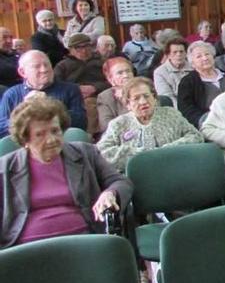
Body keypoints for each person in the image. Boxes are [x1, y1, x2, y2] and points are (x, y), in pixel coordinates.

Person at [0, 96, 132, 248]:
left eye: (55, 131)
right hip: (27, 248)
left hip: (85, 239)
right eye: (40, 134)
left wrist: (110, 193)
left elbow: (121, 181)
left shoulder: (85, 153)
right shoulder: (5, 168)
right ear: (25, 140)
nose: (51, 139)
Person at [98, 77, 202, 171]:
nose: (143, 101)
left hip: (174, 169)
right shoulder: (118, 124)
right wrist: (141, 155)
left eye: (146, 96)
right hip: (135, 175)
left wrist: (167, 150)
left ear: (155, 98)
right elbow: (102, 151)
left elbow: (196, 136)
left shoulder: (171, 114)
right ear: (128, 104)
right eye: (136, 98)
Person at [0, 50, 87, 137]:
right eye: (37, 66)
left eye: (47, 64)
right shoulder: (11, 94)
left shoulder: (70, 89)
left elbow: (81, 122)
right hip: (22, 146)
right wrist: (26, 112)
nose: (44, 69)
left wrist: (50, 107)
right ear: (22, 72)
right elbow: (1, 128)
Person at [54, 33, 111, 135]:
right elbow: (56, 84)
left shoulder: (102, 62)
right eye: (78, 48)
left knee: (91, 104)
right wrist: (76, 89)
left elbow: (112, 81)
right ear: (70, 50)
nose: (84, 51)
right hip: (73, 97)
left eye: (86, 46)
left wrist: (95, 87)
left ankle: (94, 135)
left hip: (100, 94)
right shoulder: (62, 66)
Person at [177, 41, 225, 128]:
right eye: (199, 56)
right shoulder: (187, 82)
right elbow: (187, 110)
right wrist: (206, 120)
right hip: (208, 123)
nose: (205, 58)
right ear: (192, 63)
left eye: (207, 54)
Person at [96, 57, 134, 134]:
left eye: (128, 71)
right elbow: (106, 126)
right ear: (110, 79)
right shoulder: (104, 97)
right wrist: (125, 101)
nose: (126, 75)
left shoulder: (146, 89)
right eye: (120, 73)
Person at [152, 37, 190, 107]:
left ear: (186, 53)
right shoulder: (159, 72)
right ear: (168, 55)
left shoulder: (194, 67)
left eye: (181, 51)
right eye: (175, 52)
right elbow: (167, 97)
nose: (179, 54)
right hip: (175, 108)